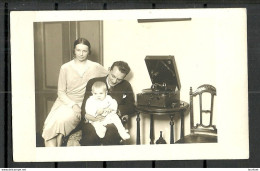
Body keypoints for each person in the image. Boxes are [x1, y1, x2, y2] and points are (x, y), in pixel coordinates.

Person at [42, 38, 108, 147]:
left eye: (84, 51)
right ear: (74, 50)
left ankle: (56, 153)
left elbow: (110, 77)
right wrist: (73, 105)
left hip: (82, 104)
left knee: (61, 121)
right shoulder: (65, 68)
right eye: (78, 50)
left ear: (89, 52)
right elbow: (61, 92)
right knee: (49, 127)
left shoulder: (95, 67)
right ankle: (53, 157)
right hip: (65, 102)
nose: (81, 54)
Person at [81, 61, 135, 146]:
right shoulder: (93, 83)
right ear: (109, 70)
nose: (114, 81)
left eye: (119, 79)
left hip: (111, 121)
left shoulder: (126, 85)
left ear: (124, 77)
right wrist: (91, 117)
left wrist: (116, 110)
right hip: (92, 120)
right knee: (90, 137)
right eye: (113, 76)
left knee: (110, 136)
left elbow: (131, 106)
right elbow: (84, 106)